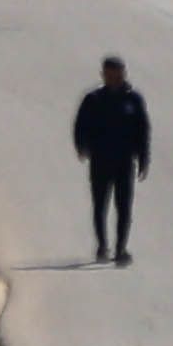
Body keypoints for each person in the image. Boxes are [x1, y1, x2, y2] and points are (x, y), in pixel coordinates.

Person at [72, 54, 153, 267]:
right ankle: (102, 246)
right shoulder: (93, 99)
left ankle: (121, 249)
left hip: (125, 162)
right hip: (100, 161)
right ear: (103, 75)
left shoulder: (133, 100)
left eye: (117, 74)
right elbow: (80, 126)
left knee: (124, 207)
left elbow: (143, 130)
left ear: (124, 74)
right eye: (109, 75)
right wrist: (82, 147)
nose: (113, 78)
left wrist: (144, 158)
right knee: (100, 205)